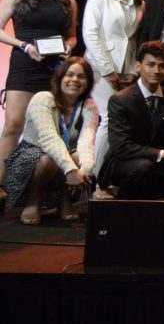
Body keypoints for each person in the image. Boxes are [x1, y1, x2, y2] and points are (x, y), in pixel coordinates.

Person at [0, 0, 78, 207]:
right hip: (24, 64)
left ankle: (37, 192)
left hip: (53, 69)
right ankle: (2, 186)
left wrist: (69, 46)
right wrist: (23, 46)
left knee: (48, 131)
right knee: (13, 126)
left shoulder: (67, 1)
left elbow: (72, 36)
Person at [4, 57, 96, 224]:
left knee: (77, 158)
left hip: (65, 158)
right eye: (70, 75)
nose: (75, 80)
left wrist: (85, 170)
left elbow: (87, 141)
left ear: (88, 82)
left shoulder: (89, 105)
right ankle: (33, 201)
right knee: (50, 159)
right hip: (32, 158)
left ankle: (65, 200)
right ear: (60, 78)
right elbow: (49, 139)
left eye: (81, 76)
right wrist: (71, 170)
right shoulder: (43, 98)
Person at [98, 41, 164, 200]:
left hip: (158, 163)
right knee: (143, 168)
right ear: (138, 66)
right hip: (125, 161)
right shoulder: (120, 100)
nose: (156, 71)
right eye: (150, 64)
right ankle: (123, 207)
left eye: (162, 66)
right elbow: (121, 146)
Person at [82, 0, 143, 176]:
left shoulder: (139, 1)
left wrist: (131, 72)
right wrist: (108, 70)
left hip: (125, 72)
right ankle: (93, 178)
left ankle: (101, 176)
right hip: (100, 68)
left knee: (116, 123)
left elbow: (132, 41)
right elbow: (90, 34)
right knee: (105, 120)